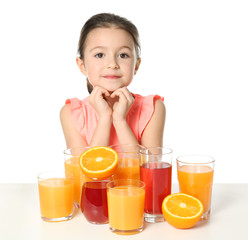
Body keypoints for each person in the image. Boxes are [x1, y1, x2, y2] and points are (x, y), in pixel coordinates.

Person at [60, 13, 166, 149]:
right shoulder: (72, 113)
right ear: (82, 66)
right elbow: (86, 169)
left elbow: (150, 168)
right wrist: (105, 118)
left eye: (123, 55)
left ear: (136, 65)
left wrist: (120, 120)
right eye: (100, 55)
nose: (112, 64)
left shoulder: (152, 108)